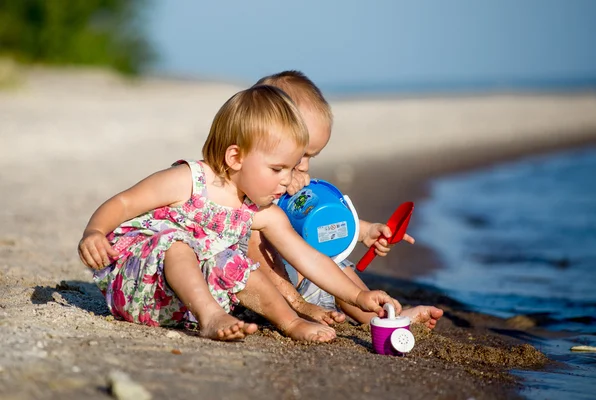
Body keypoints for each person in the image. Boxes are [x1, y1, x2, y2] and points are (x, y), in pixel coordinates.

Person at [78, 85, 402, 343]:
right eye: (277, 168)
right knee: (180, 244)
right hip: (141, 283)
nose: (288, 180)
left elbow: (309, 259)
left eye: (292, 168)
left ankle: (289, 322)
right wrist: (94, 232)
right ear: (236, 156)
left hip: (178, 307)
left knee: (242, 265)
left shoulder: (262, 213)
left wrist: (358, 295)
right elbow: (124, 203)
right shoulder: (190, 181)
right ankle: (211, 318)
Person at [247, 71, 443, 328]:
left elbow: (323, 220)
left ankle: (380, 319)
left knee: (336, 261)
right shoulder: (256, 180)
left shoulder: (297, 182)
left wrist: (363, 231)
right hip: (265, 290)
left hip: (311, 278)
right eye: (299, 154)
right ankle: (296, 310)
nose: (303, 166)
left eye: (310, 156)